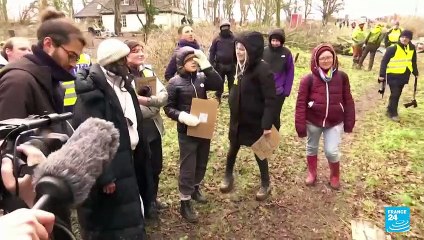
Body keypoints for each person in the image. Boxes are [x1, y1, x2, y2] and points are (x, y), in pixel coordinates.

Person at [0, 8, 85, 239]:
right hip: (28, 205)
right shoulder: (19, 80)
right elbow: (7, 147)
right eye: (72, 55)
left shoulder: (50, 80)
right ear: (49, 44)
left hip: (49, 189)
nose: (74, 64)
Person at [73, 39, 147, 239]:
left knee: (131, 208)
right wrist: (105, 175)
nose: (128, 63)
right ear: (113, 62)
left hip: (129, 156)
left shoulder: (124, 83)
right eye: (123, 60)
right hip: (112, 164)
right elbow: (91, 136)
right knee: (114, 216)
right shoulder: (93, 91)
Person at [164, 47, 222, 223]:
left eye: (196, 59)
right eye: (190, 59)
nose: (193, 62)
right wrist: (183, 116)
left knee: (202, 161)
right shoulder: (174, 83)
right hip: (186, 131)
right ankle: (185, 201)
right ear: (181, 63)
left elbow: (218, 84)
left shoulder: (202, 77)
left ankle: (195, 188)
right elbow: (168, 108)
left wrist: (206, 65)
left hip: (203, 128)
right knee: (188, 165)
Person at [219, 31, 276, 201]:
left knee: (260, 152)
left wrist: (267, 124)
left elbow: (270, 99)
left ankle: (266, 183)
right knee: (233, 148)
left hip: (255, 121)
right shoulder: (238, 66)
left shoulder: (262, 69)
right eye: (237, 48)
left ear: (252, 50)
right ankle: (228, 176)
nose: (239, 52)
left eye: (243, 49)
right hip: (237, 120)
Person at [295, 44, 355, 190]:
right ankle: (312, 173)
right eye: (322, 58)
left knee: (331, 151)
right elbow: (301, 103)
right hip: (313, 121)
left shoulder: (342, 77)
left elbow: (348, 100)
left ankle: (335, 175)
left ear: (334, 58)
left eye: (329, 57)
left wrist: (349, 122)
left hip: (334, 121)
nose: (326, 61)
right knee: (311, 148)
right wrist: (300, 126)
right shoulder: (308, 79)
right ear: (316, 60)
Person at [125, 40, 168, 220]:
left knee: (155, 166)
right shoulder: (124, 78)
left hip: (154, 128)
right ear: (125, 55)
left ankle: (153, 200)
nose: (140, 54)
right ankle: (143, 204)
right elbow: (127, 106)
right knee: (140, 169)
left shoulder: (148, 72)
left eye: (142, 50)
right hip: (136, 130)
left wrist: (146, 102)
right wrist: (151, 104)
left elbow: (163, 96)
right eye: (135, 51)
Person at [379, 30, 419, 122]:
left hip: (404, 75)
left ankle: (389, 109)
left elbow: (413, 61)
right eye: (403, 37)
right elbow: (384, 61)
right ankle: (393, 113)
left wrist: (415, 72)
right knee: (395, 94)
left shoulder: (412, 48)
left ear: (410, 39)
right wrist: (382, 74)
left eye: (407, 37)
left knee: (397, 94)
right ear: (400, 37)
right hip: (393, 75)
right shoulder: (392, 48)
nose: (404, 39)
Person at [263, 28, 295, 130]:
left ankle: (274, 136)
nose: (275, 43)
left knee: (275, 115)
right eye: (273, 40)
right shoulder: (264, 51)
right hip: (264, 89)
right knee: (263, 113)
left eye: (277, 41)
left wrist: (286, 90)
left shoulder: (286, 53)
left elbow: (290, 72)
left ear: (281, 41)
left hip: (279, 91)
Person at [209, 20, 236, 103]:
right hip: (219, 65)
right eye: (223, 27)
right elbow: (212, 52)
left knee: (232, 82)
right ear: (221, 29)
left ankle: (232, 97)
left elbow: (237, 51)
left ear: (229, 28)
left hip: (231, 65)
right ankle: (218, 97)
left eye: (227, 27)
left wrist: (237, 63)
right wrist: (211, 63)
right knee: (219, 82)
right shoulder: (216, 39)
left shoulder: (234, 38)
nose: (225, 29)